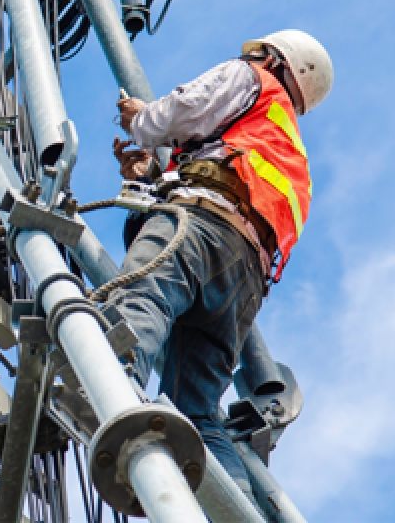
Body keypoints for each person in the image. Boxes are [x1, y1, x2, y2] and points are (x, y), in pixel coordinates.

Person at [107, 30, 331, 499]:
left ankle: (109, 391)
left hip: (201, 229)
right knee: (199, 412)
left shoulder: (253, 80)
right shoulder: (288, 149)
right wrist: (152, 173)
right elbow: (229, 173)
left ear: (274, 58)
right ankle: (235, 507)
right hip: (243, 279)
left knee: (138, 299)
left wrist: (142, 120)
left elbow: (188, 107)